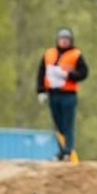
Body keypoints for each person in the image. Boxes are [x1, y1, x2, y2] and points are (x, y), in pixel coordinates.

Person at [36, 27, 89, 163]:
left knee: (68, 124)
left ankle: (68, 151)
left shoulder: (76, 55)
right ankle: (61, 150)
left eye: (66, 40)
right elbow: (41, 72)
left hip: (68, 94)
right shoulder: (49, 54)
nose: (64, 42)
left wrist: (69, 75)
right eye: (62, 39)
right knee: (58, 125)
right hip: (53, 94)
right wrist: (41, 90)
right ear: (57, 40)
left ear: (70, 41)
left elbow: (83, 73)